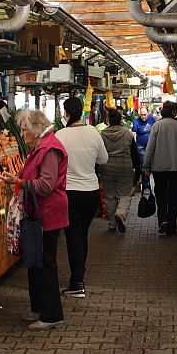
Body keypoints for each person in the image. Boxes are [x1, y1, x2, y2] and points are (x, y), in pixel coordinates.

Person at [0, 109, 69, 329]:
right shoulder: (39, 147)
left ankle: (51, 315)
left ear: (37, 130)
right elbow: (31, 174)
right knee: (35, 261)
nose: (22, 133)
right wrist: (17, 177)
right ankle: (39, 309)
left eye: (24, 129)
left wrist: (19, 184)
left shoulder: (49, 149)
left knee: (45, 263)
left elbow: (46, 185)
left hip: (47, 213)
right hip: (37, 212)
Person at [54, 97, 108, 298]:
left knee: (73, 238)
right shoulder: (93, 133)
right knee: (81, 235)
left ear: (66, 113)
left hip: (69, 193)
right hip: (91, 192)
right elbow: (103, 159)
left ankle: (77, 283)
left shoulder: (60, 135)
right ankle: (79, 277)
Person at [142, 101, 177, 236]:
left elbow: (150, 147)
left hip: (159, 168)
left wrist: (146, 165)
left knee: (161, 194)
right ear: (173, 112)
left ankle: (163, 219)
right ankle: (171, 225)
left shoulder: (156, 126)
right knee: (175, 197)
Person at [99, 108, 141, 233]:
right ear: (120, 120)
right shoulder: (128, 134)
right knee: (125, 194)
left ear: (108, 120)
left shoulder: (102, 134)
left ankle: (112, 224)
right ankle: (121, 214)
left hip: (106, 168)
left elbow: (99, 154)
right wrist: (137, 173)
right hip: (125, 169)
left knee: (110, 197)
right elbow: (135, 155)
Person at [132, 107, 156, 192]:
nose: (143, 117)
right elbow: (133, 134)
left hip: (151, 145)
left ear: (148, 114)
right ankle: (146, 185)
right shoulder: (136, 122)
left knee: (153, 165)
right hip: (141, 146)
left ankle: (155, 184)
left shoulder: (152, 119)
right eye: (141, 115)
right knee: (144, 165)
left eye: (145, 115)